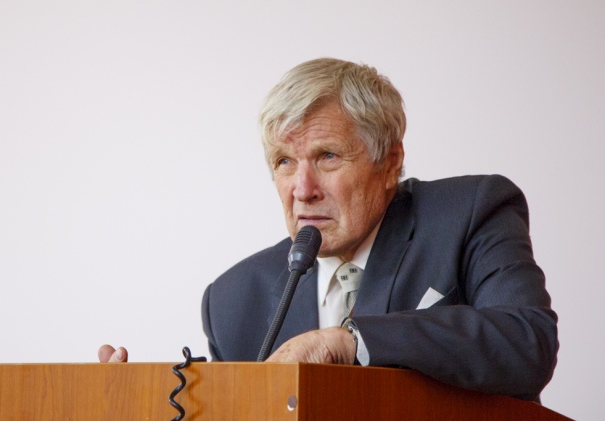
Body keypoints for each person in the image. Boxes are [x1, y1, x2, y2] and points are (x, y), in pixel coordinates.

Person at [99, 58, 558, 401]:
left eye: (327, 156)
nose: (302, 190)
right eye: (284, 162)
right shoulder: (234, 299)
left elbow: (526, 340)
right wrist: (139, 405)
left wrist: (350, 341)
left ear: (389, 163)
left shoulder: (469, 212)